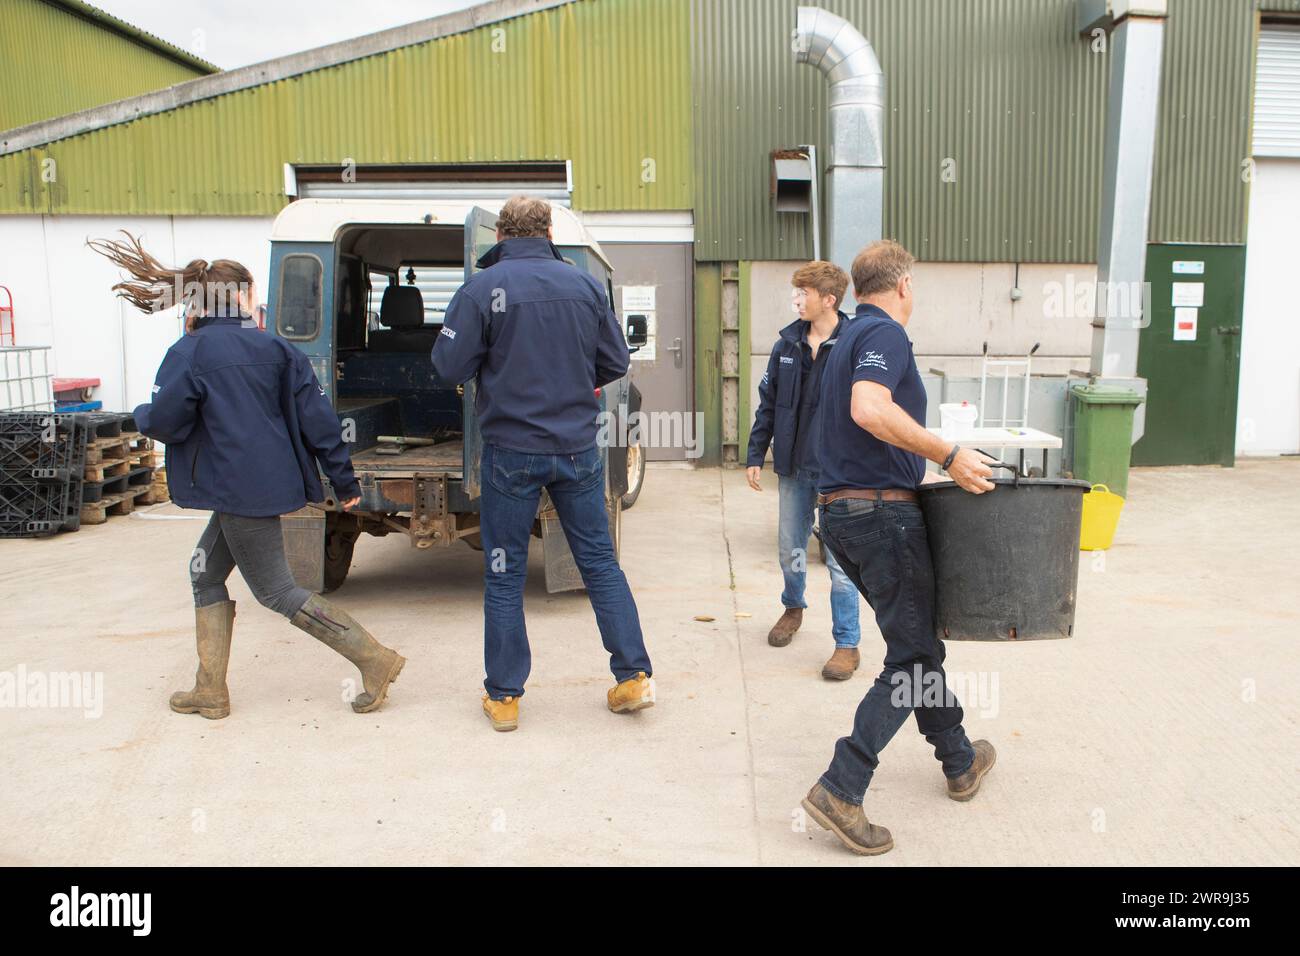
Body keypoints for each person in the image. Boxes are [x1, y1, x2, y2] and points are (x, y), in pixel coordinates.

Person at [88, 232, 405, 720]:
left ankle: (374, 659)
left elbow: (168, 421)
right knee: (204, 571)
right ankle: (209, 688)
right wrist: (344, 482)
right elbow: (320, 422)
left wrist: (142, 413)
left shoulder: (189, 353)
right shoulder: (279, 350)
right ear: (241, 297)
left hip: (236, 489)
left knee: (277, 591)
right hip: (259, 484)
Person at [799, 240, 998, 856]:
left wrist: (914, 468)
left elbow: (856, 426)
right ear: (905, 284)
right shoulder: (885, 336)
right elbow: (869, 409)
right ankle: (842, 785)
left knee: (915, 644)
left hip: (841, 512)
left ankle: (960, 760)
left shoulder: (843, 341)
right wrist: (947, 453)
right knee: (911, 663)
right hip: (881, 518)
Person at [431, 196, 653, 732]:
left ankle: (505, 698)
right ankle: (633, 679)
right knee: (599, 562)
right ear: (548, 230)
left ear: (502, 234)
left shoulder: (481, 289)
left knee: (504, 572)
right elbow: (616, 362)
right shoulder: (583, 285)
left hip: (512, 451)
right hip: (577, 448)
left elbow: (448, 365)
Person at [745, 261, 863, 679]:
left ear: (828, 299)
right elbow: (768, 404)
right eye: (795, 293)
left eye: (804, 294)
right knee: (790, 549)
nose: (796, 300)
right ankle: (792, 609)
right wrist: (755, 454)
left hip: (840, 472)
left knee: (840, 561)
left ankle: (847, 643)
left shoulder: (855, 344)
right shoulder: (786, 346)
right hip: (795, 468)